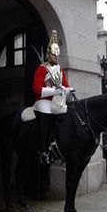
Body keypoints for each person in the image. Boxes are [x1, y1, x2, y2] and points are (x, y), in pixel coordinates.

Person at [33, 30, 74, 165]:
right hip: (44, 101)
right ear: (48, 54)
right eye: (53, 53)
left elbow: (65, 85)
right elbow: (36, 89)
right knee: (46, 118)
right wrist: (54, 91)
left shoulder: (60, 70)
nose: (56, 56)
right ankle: (43, 151)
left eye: (57, 54)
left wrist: (69, 90)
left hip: (58, 101)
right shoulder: (41, 68)